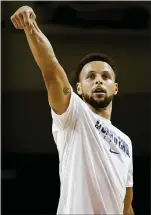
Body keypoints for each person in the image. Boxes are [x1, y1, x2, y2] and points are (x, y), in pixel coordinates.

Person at [11, 6, 134, 215]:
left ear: (115, 88)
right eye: (90, 76)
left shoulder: (126, 142)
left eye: (105, 77)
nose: (98, 80)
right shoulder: (74, 115)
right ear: (78, 88)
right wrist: (31, 27)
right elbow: (51, 71)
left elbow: (126, 207)